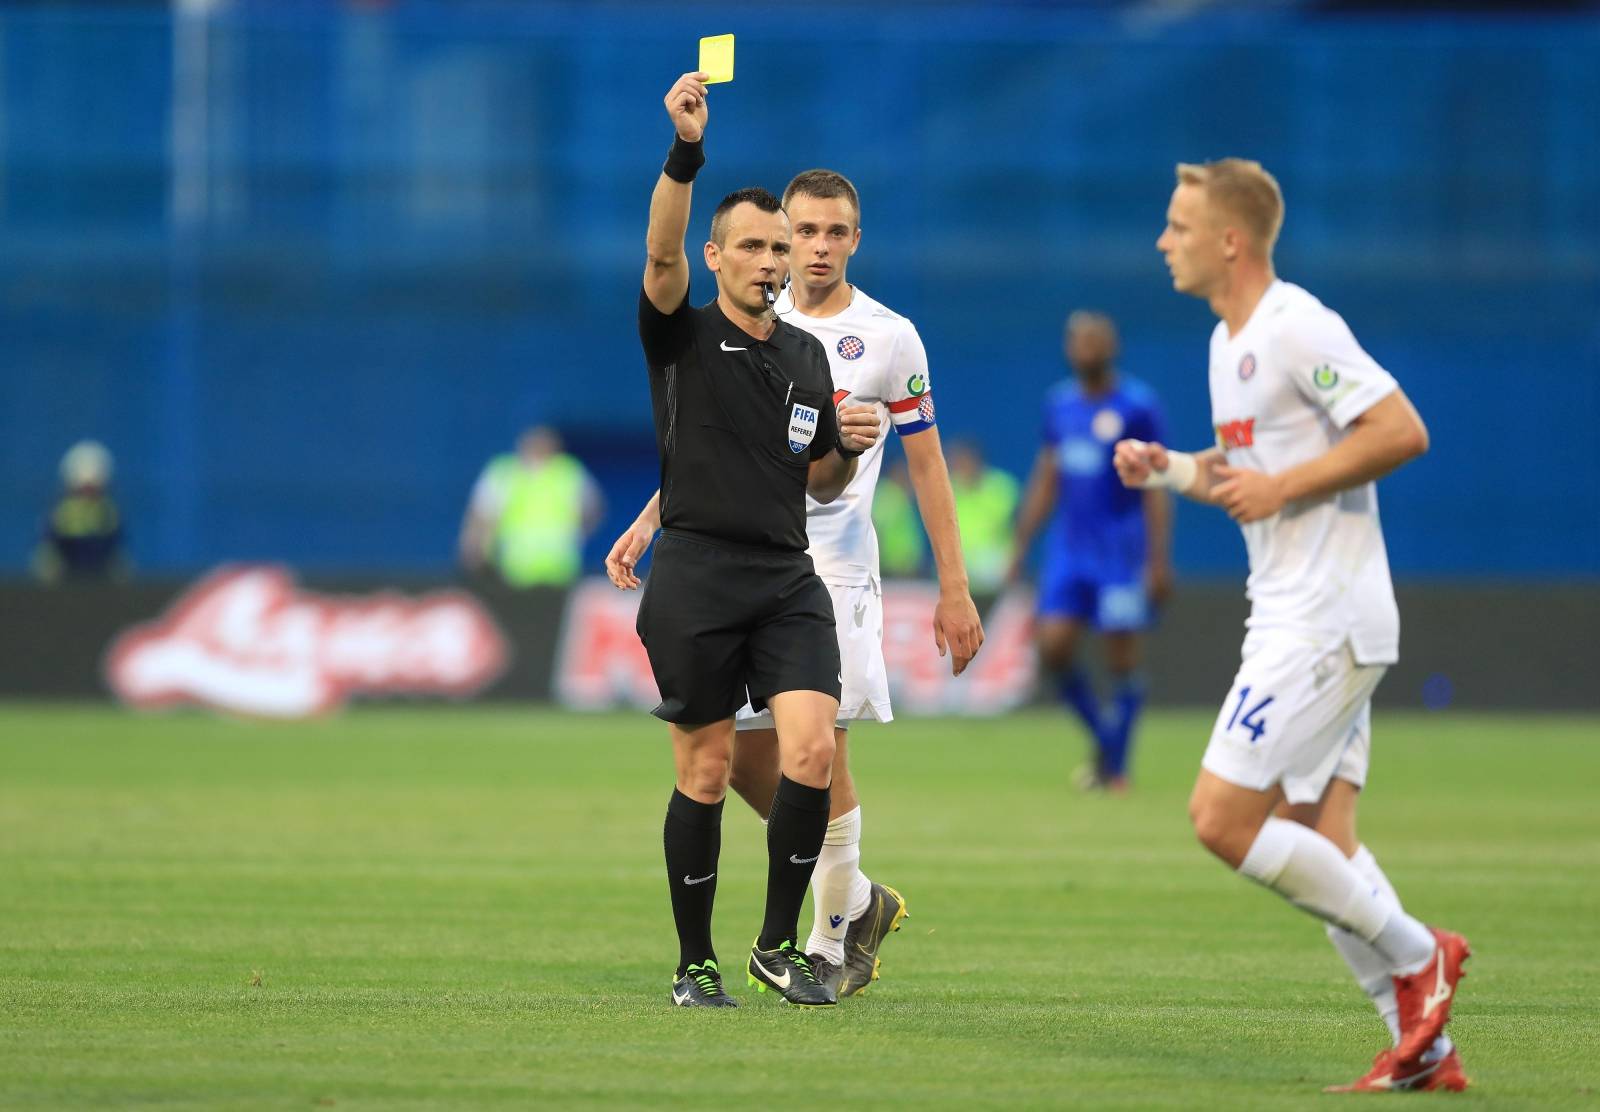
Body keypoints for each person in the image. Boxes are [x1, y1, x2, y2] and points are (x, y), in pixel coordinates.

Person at [1115, 158, 1469, 1092]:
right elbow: (1247, 478)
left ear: (1230, 239)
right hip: (1297, 614)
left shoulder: (1293, 325)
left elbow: (1400, 430)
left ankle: (1418, 953)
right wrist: (1170, 471)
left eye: (1179, 226)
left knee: (1221, 819)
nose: (1164, 241)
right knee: (1320, 833)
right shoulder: (1228, 342)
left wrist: (1279, 483)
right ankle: (1421, 1046)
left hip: (1320, 622)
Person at [609, 167, 985, 998]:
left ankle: (818, 943)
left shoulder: (883, 337)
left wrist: (953, 585)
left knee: (819, 751)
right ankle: (852, 898)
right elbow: (717, 444)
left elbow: (915, 468)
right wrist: (652, 516)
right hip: (717, 563)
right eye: (794, 234)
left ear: (854, 239)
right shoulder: (722, 331)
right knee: (736, 765)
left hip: (828, 569)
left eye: (827, 234)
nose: (808, 250)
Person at [632, 73, 882, 1009]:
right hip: (696, 574)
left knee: (812, 752)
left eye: (782, 247)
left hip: (787, 578)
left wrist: (848, 455)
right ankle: (693, 963)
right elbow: (658, 255)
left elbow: (813, 478)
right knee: (703, 770)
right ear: (715, 256)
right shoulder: (681, 336)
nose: (773, 260)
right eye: (755, 246)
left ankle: (778, 945)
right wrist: (686, 150)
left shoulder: (807, 355)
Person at [1008, 312, 1172, 791]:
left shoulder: (1138, 405)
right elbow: (1047, 476)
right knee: (1052, 648)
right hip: (1069, 549)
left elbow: (1158, 485)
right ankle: (1107, 739)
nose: (1085, 348)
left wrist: (1159, 558)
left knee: (1121, 657)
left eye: (1094, 340)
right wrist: (1022, 542)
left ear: (1112, 347)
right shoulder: (1059, 404)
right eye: (1077, 341)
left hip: (1121, 549)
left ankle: (1114, 769)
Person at [457, 425, 603, 588]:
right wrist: (476, 548)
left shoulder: (568, 472)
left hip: (560, 568)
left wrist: (577, 535)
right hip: (515, 568)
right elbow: (482, 516)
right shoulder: (504, 473)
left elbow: (593, 510)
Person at [33, 440, 128, 583]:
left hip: (101, 582)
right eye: (84, 487)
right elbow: (48, 547)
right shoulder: (61, 511)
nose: (87, 492)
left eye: (92, 487)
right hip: (65, 582)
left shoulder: (109, 511)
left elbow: (116, 549)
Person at [946, 441, 1018, 596]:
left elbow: (1017, 528)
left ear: (976, 461)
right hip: (959, 572)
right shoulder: (949, 488)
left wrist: (1013, 560)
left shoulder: (1001, 487)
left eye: (964, 462)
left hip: (995, 570)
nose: (960, 468)